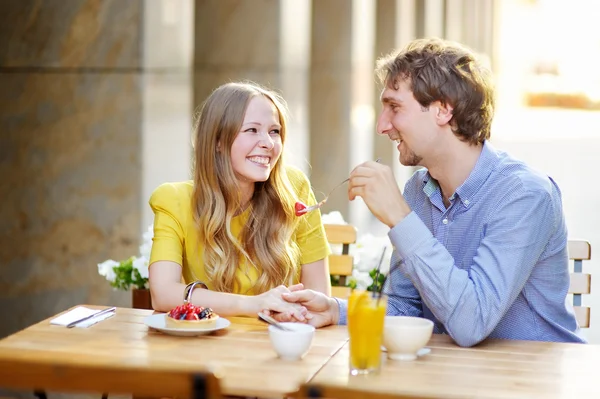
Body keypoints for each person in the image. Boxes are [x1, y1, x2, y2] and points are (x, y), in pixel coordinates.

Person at [282, 38, 585, 346]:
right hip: (455, 377)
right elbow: (405, 309)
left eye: (394, 107)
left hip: (531, 383)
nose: (382, 125)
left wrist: (400, 217)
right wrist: (336, 310)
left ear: (442, 110)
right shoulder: (419, 190)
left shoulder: (524, 195)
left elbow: (471, 324)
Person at [148, 81, 331, 320]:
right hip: (207, 346)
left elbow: (319, 295)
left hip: (277, 340)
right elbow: (162, 294)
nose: (267, 142)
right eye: (252, 130)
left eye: (274, 131)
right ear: (218, 141)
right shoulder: (173, 200)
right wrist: (253, 305)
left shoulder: (294, 188)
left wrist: (296, 311)